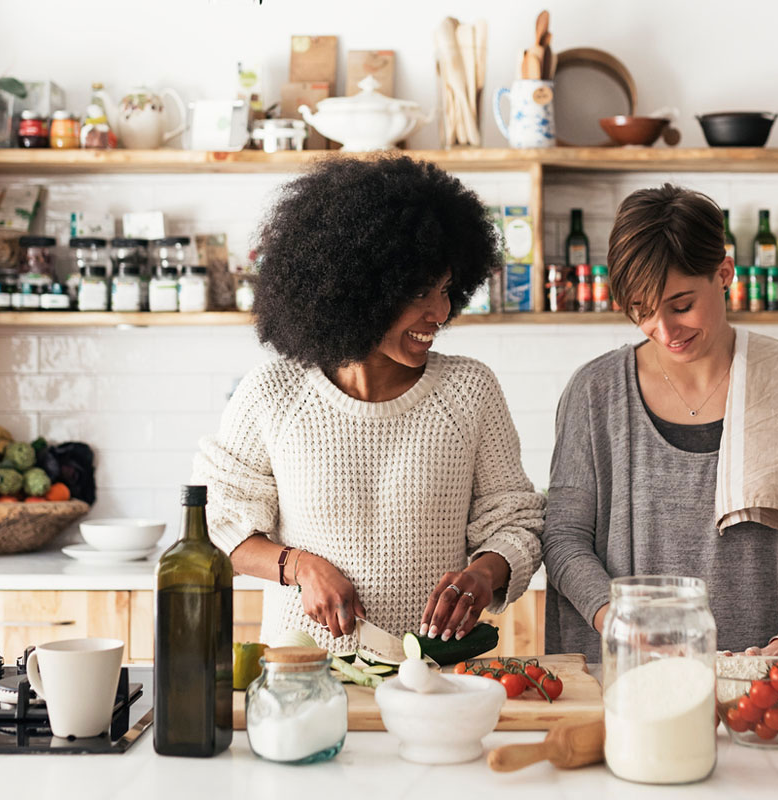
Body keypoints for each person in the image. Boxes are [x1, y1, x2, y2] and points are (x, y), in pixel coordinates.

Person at [193, 156, 544, 650]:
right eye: (419, 292)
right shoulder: (273, 395)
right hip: (304, 674)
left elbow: (516, 521)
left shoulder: (469, 391)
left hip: (433, 677)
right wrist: (300, 567)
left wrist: (485, 574)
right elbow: (218, 527)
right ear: (357, 291)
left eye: (445, 290)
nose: (440, 312)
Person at [542, 184, 778, 663]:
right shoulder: (596, 393)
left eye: (681, 306)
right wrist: (622, 626)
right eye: (640, 310)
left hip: (775, 681)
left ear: (724, 273)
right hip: (639, 675)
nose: (664, 330)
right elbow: (563, 539)